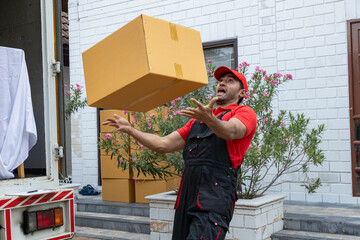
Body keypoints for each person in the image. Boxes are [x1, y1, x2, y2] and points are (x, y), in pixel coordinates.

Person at [102, 66, 257, 240]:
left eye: (230, 80)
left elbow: (231, 131)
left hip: (215, 198)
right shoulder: (196, 123)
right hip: (186, 198)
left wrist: (210, 119)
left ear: (242, 93)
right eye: (220, 80)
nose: (222, 83)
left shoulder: (244, 113)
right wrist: (131, 130)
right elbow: (163, 144)